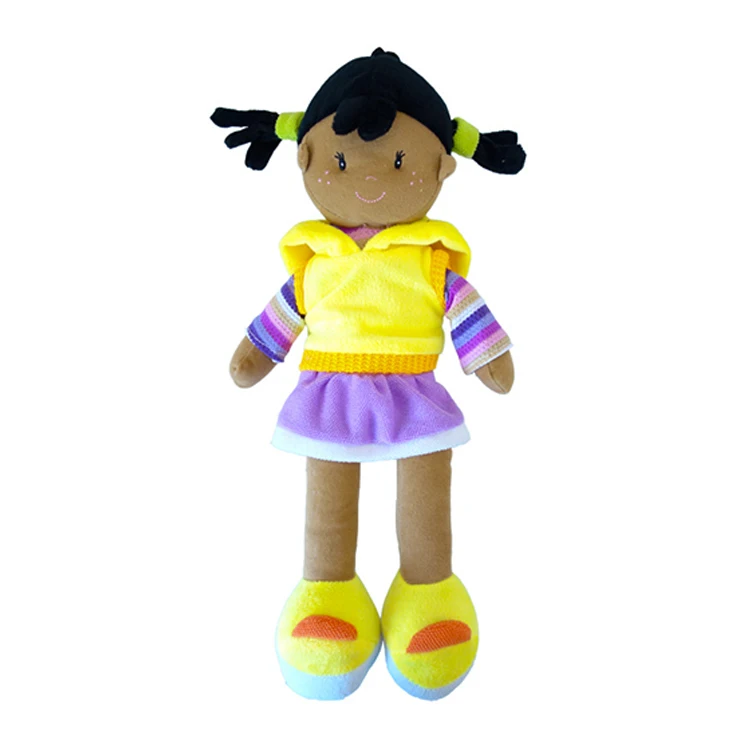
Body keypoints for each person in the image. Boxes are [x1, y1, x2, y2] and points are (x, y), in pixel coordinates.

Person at [212, 48, 525, 700]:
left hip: (413, 390)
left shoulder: (429, 258)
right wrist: (255, 353)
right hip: (329, 392)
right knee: (326, 506)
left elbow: (464, 309)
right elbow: (283, 313)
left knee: (426, 498)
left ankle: (428, 592)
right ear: (306, 160)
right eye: (341, 162)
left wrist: (487, 357)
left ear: (441, 166)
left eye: (401, 162)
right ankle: (328, 599)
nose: (372, 177)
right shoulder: (315, 260)